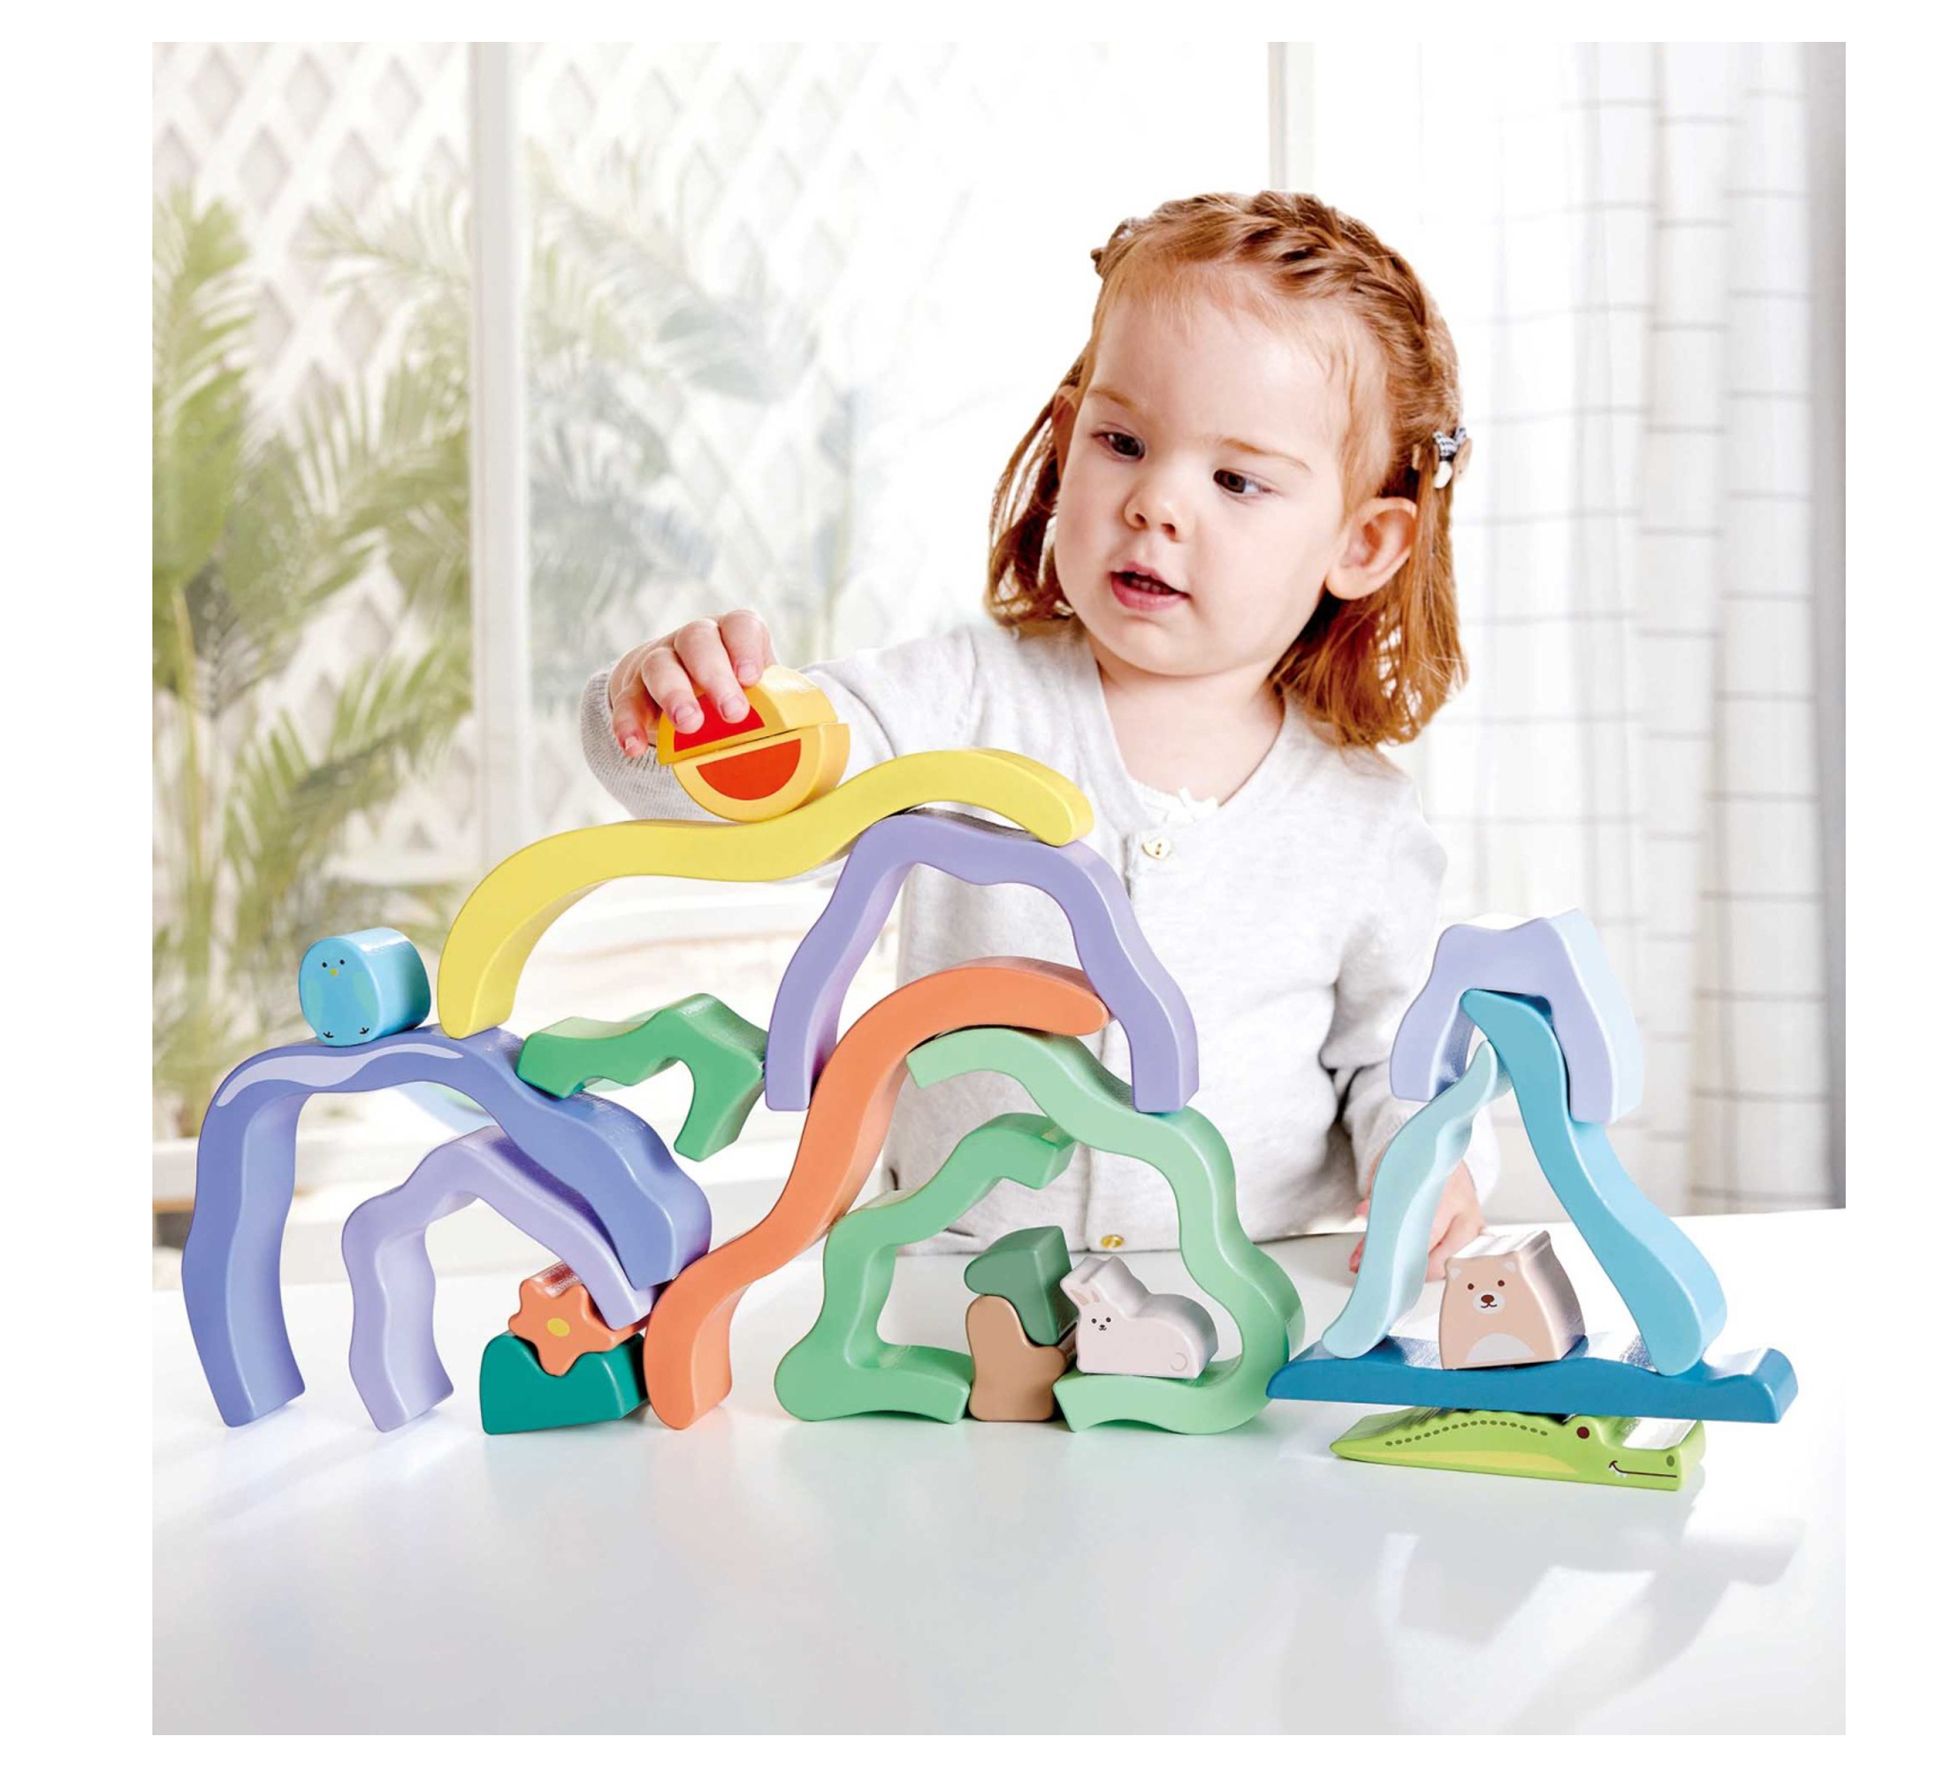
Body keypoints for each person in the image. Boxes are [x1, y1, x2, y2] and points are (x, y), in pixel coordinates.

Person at [581, 190, 1496, 1271]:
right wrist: (680, 712)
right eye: (1122, 441)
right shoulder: (959, 699)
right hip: (946, 1298)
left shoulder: (1360, 822)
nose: (1155, 502)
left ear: (1362, 542)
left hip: (1242, 1304)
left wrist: (1426, 1156)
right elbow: (768, 785)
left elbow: (1402, 1056)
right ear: (1067, 445)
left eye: (1236, 479)